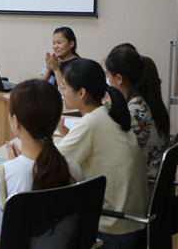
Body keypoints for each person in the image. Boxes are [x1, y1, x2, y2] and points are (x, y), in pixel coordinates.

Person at [0, 79, 84, 248]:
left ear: (16, 121)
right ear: (56, 121)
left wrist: (13, 167)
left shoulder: (0, 177)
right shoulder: (73, 170)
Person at [56, 59, 147, 248]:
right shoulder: (107, 113)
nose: (61, 92)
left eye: (64, 87)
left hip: (112, 228)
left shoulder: (90, 123)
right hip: (133, 223)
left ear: (81, 93)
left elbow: (50, 164)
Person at [105, 47, 170, 180]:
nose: (108, 81)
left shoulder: (133, 113)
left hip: (142, 185)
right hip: (156, 182)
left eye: (108, 75)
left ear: (119, 78)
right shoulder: (148, 102)